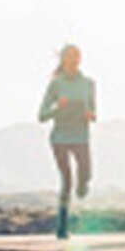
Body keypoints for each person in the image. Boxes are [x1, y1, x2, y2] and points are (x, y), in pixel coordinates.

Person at [38, 44, 97, 239]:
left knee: (86, 175)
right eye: (70, 56)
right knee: (67, 181)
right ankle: (62, 227)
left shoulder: (88, 83)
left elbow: (94, 111)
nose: (73, 60)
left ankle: (83, 185)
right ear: (63, 60)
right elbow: (42, 115)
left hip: (81, 136)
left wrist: (91, 115)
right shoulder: (56, 84)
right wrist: (57, 107)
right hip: (60, 137)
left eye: (77, 56)